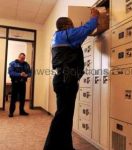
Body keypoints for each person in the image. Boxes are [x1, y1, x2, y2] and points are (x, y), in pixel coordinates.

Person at [44, 8, 100, 150]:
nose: (74, 26)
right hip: (65, 80)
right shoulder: (65, 35)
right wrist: (94, 17)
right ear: (66, 25)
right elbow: (85, 29)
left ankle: (66, 146)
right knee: (62, 116)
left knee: (66, 116)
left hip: (64, 79)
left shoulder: (58, 37)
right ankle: (50, 147)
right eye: (71, 24)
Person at [8, 53, 31, 117]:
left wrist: (27, 75)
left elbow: (30, 73)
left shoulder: (26, 64)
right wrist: (20, 74)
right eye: (21, 58)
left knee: (22, 98)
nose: (22, 60)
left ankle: (22, 111)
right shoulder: (12, 63)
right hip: (15, 83)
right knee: (13, 98)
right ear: (18, 57)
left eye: (23, 58)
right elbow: (10, 73)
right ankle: (11, 112)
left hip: (23, 83)